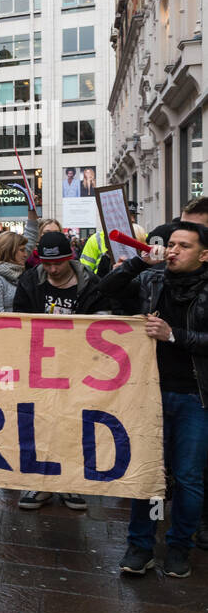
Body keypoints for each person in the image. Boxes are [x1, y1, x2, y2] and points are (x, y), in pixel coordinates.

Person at [100, 223, 208, 577]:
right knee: (147, 470)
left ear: (204, 255)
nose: (173, 251)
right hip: (150, 391)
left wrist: (173, 335)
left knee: (188, 476)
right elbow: (105, 291)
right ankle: (140, 546)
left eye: (184, 246)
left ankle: (179, 547)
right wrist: (138, 263)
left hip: (196, 396)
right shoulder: (153, 279)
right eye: (171, 244)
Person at [11, 231, 108, 512]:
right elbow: (18, 318)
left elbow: (105, 319)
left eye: (58, 264)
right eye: (46, 264)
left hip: (79, 368)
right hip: (40, 367)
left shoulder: (91, 283)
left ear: (70, 259)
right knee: (40, 423)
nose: (52, 270)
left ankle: (69, 484)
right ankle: (42, 484)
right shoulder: (30, 280)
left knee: (73, 424)